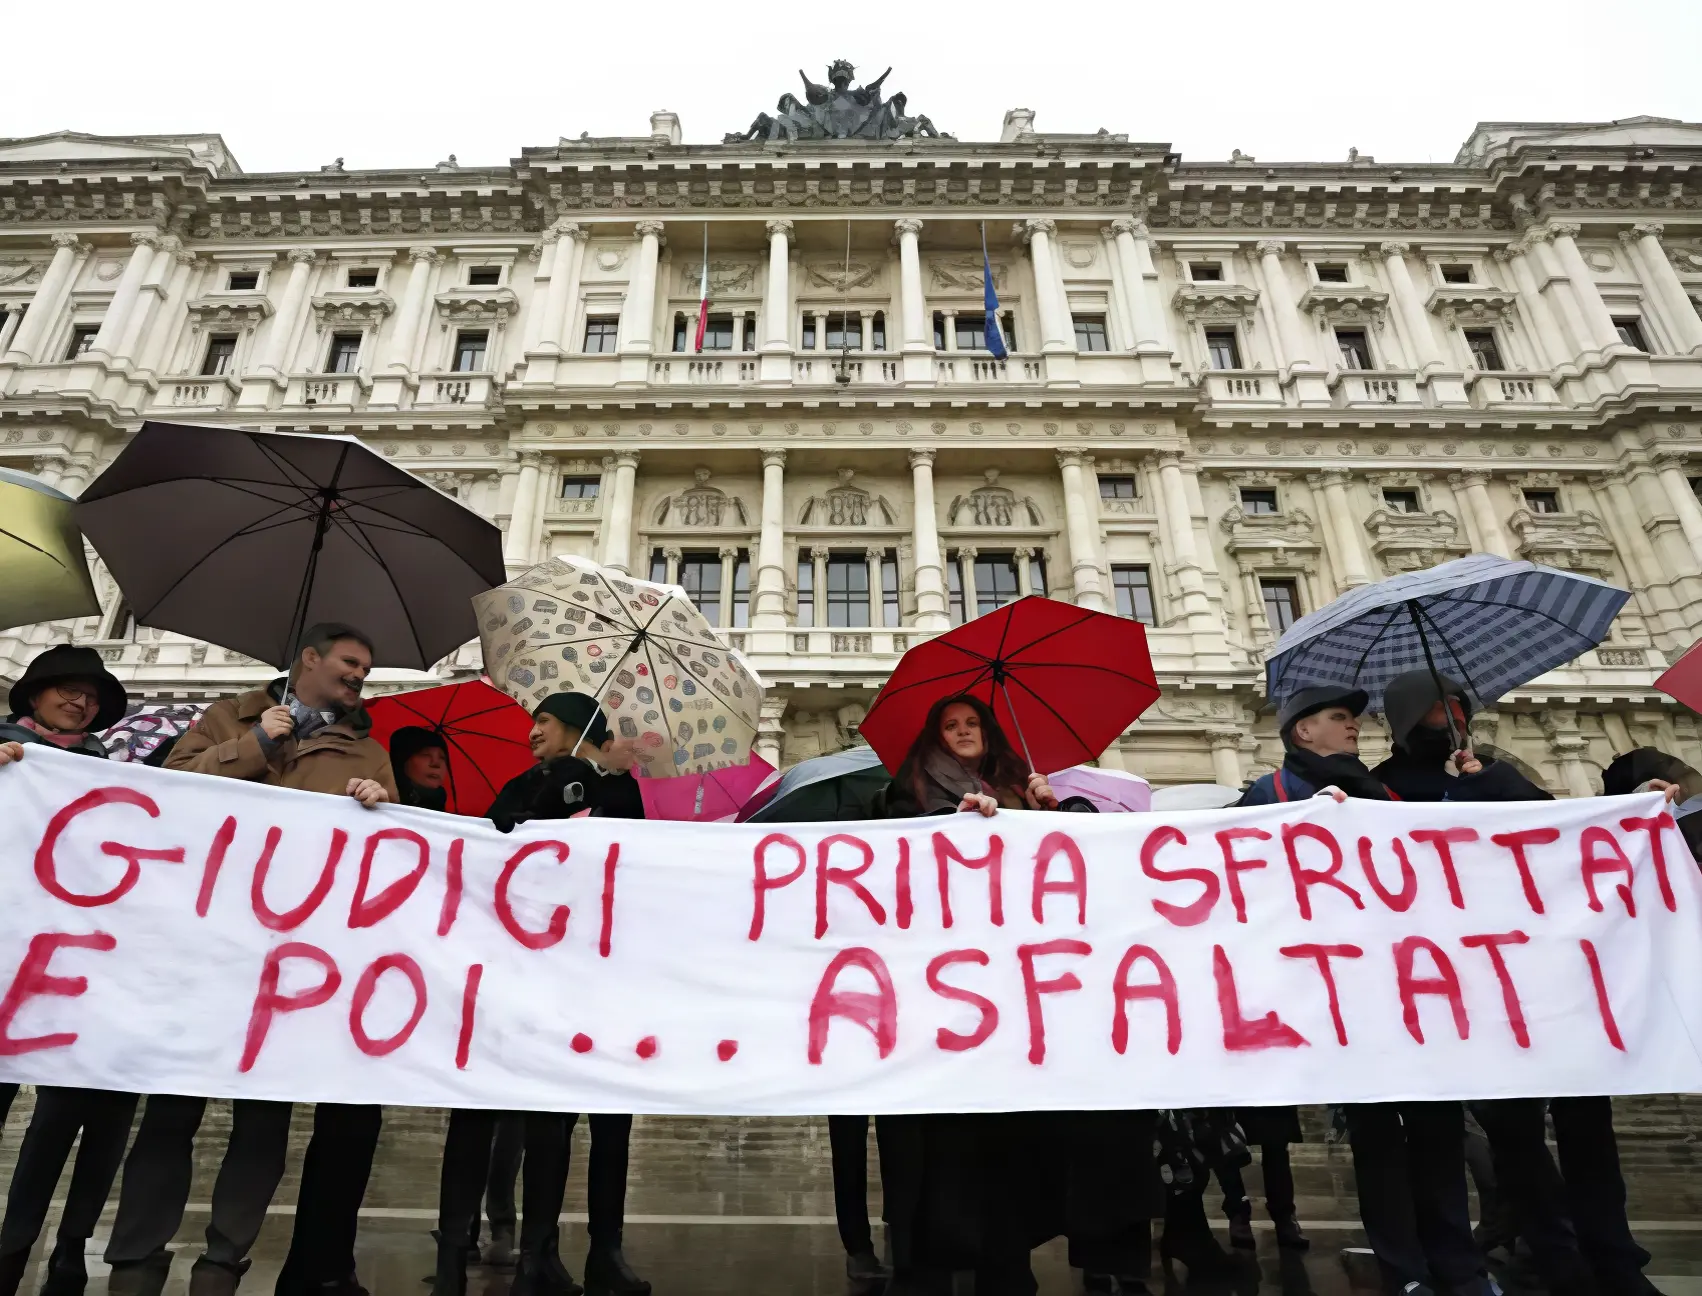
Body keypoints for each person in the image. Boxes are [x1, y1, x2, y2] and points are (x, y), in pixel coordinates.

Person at [101, 623, 395, 1296]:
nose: (359, 678)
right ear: (310, 659)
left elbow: (389, 854)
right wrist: (257, 745)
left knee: (263, 1120)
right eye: (350, 663)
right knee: (172, 1108)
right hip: (208, 945)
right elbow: (172, 786)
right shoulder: (225, 717)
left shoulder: (369, 752)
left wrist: (384, 807)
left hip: (294, 964)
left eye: (366, 670)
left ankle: (224, 1260)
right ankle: (135, 1259)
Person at [434, 693, 648, 1296]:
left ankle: (589, 1253)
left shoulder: (615, 790)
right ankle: (503, 1254)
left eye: (544, 723)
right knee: (517, 1117)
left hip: (595, 977)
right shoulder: (522, 786)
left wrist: (607, 780)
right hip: (518, 974)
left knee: (603, 1120)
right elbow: (494, 837)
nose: (532, 732)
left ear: (577, 732)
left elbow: (633, 850)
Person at [1460, 744, 1672, 1296]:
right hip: (1496, 1010)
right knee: (1523, 1140)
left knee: (1583, 1138)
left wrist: (1628, 812)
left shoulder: (1527, 821)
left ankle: (1605, 1251)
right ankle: (1560, 1249)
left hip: (1561, 1002)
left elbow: (1580, 843)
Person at [0, 647, 140, 1296]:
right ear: (34, 696)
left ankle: (46, 1244)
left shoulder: (106, 770)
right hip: (6, 952)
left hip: (75, 960)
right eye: (67, 690)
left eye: (90, 695)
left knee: (72, 1105)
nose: (80, 702)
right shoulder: (4, 753)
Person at [389, 725, 450, 810]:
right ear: (402, 760)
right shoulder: (382, 803)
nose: (436, 763)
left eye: (442, 757)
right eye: (425, 755)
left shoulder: (446, 818)